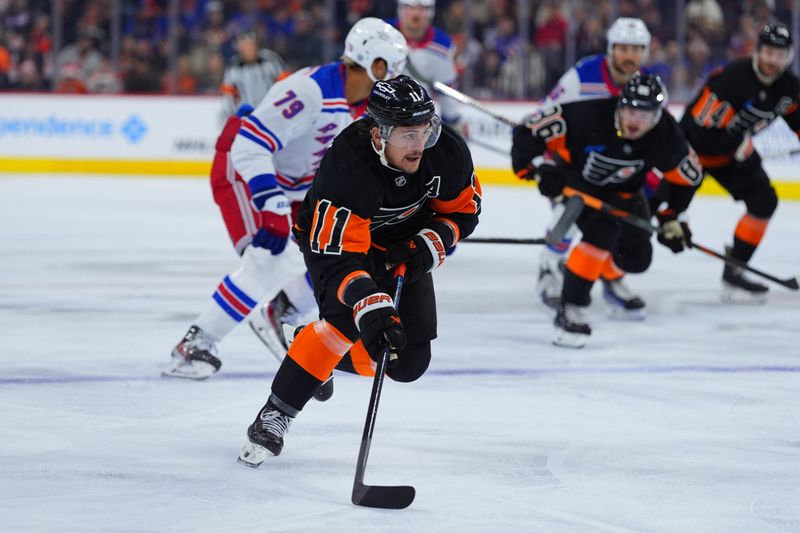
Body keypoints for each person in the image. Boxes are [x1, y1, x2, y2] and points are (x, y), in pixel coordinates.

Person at [238, 75, 482, 465]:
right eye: (406, 135)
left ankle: (308, 347)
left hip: (400, 245)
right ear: (378, 132)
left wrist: (429, 243)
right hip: (332, 244)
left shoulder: (446, 151)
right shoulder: (348, 164)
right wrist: (370, 303)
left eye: (424, 131)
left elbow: (465, 212)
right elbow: (340, 258)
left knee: (409, 362)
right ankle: (276, 413)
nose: (419, 145)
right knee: (342, 325)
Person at [164, 18, 409, 384]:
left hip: (294, 186)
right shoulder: (309, 90)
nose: (393, 79)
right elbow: (250, 143)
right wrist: (271, 205)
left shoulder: (364, 109)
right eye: (391, 70)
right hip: (243, 169)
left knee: (333, 259)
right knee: (267, 257)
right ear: (376, 64)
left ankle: (282, 310)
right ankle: (194, 344)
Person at [512, 73, 702, 348]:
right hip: (580, 185)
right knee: (602, 234)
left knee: (637, 258)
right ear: (620, 105)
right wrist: (542, 165)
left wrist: (673, 216)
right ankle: (571, 307)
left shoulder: (666, 135)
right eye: (631, 111)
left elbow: (687, 179)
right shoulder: (587, 115)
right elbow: (527, 132)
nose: (636, 121)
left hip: (626, 194)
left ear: (658, 115)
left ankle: (607, 274)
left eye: (646, 115)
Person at [536, 17, 652, 316]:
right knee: (569, 212)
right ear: (611, 48)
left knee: (621, 226)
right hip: (573, 164)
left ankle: (611, 276)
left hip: (618, 171)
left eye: (636, 49)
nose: (630, 56)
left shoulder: (645, 85)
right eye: (623, 48)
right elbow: (546, 112)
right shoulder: (585, 74)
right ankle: (549, 269)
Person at [678, 24, 800, 303]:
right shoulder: (732, 79)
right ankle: (603, 260)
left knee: (764, 201)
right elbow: (699, 129)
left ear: (789, 57)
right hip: (689, 151)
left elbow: (796, 119)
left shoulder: (789, 88)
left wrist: (737, 148)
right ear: (757, 51)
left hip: (729, 155)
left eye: (780, 55)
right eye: (768, 52)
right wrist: (738, 147)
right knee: (655, 209)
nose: (772, 60)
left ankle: (735, 268)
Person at [389, 0, 466, 134]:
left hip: (417, 123)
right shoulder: (381, 33)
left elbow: (447, 92)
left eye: (423, 8)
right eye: (410, 7)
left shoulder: (443, 46)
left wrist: (453, 123)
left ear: (431, 12)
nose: (416, 13)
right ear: (400, 9)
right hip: (379, 116)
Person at [220, 29, 286, 120]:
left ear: (256, 44)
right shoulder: (233, 66)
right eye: (244, 45)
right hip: (247, 117)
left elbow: (286, 84)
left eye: (250, 44)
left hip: (271, 113)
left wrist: (282, 107)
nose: (248, 48)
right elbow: (228, 94)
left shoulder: (270, 59)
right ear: (239, 47)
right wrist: (233, 115)